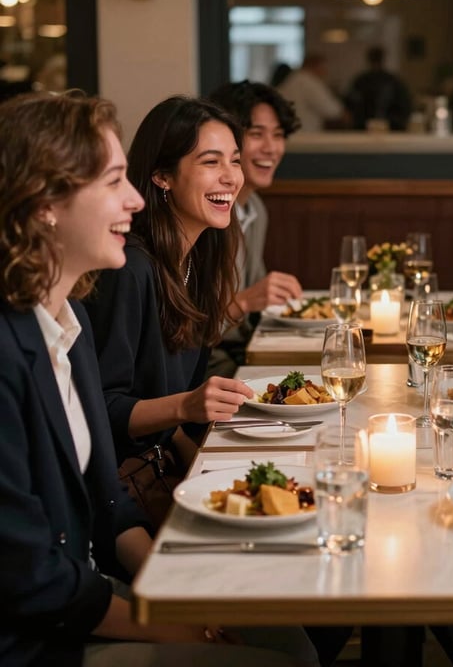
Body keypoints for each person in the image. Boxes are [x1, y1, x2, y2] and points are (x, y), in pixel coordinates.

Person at [0, 91, 317, 667]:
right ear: (45, 203)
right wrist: (163, 620)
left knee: (293, 636)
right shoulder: (14, 351)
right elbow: (31, 577)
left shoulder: (66, 327)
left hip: (93, 584)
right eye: (113, 181)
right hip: (41, 642)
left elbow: (107, 501)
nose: (133, 199)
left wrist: (164, 587)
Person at [84, 96, 255, 518]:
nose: (231, 177)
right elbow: (100, 409)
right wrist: (186, 408)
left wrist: (212, 471)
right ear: (162, 176)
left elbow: (179, 418)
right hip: (119, 494)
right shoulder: (130, 268)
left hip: (164, 471)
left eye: (235, 161)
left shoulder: (198, 262)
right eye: (211, 162)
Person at [206, 81, 303, 376]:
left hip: (245, 352)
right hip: (208, 368)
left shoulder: (255, 209)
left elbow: (257, 304)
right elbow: (188, 334)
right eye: (257, 134)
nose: (271, 148)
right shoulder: (208, 214)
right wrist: (247, 300)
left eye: (278, 135)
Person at [346, 45, 411, 131]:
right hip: (385, 126)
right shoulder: (393, 81)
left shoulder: (361, 81)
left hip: (370, 126)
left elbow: (350, 103)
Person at [278, 53, 347, 132]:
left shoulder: (293, 78)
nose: (326, 71)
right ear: (315, 66)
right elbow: (330, 109)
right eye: (323, 67)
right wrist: (344, 114)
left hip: (292, 131)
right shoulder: (309, 81)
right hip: (305, 132)